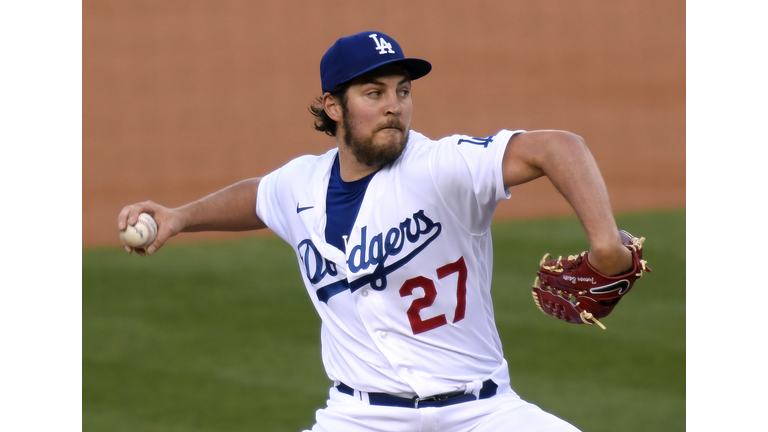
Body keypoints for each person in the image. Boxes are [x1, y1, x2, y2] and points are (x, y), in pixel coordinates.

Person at [118, 31, 633, 432]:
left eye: (402, 91)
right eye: (374, 92)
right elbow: (258, 197)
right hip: (360, 417)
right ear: (333, 106)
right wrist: (180, 216)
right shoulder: (300, 184)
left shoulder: (441, 165)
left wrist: (606, 245)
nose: (395, 105)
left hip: (482, 412)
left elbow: (559, 146)